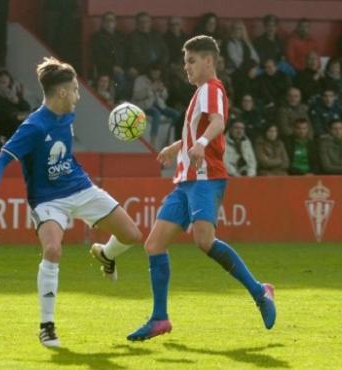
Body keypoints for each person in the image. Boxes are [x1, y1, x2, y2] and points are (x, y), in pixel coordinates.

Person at [0, 57, 143, 347]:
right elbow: (2, 158)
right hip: (48, 200)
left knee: (132, 235)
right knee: (52, 250)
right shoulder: (34, 126)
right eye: (75, 89)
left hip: (80, 187)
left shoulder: (67, 116)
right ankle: (47, 326)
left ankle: (106, 255)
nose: (78, 95)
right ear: (61, 92)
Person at [126, 35, 275, 342]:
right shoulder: (200, 95)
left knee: (203, 240)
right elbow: (201, 130)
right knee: (154, 245)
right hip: (186, 181)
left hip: (206, 177)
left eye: (191, 61)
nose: (187, 68)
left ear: (209, 60)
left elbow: (218, 122)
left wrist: (202, 143)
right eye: (185, 63)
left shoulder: (211, 89)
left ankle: (260, 291)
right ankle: (159, 318)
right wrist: (176, 146)